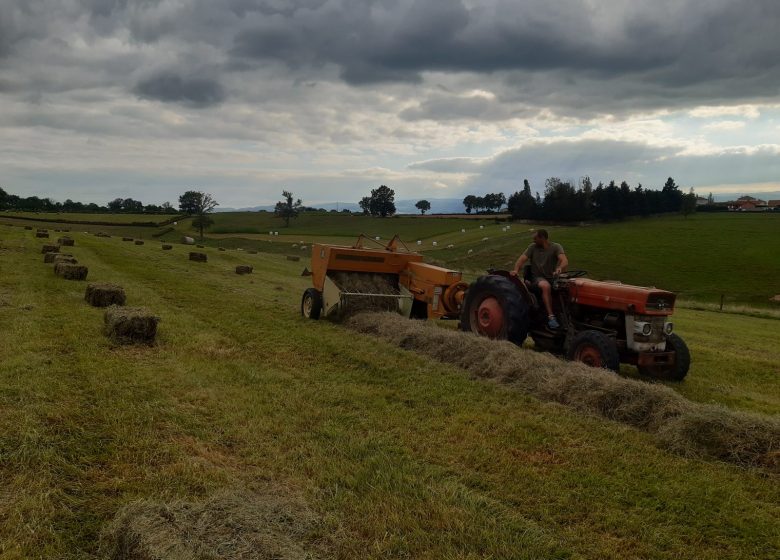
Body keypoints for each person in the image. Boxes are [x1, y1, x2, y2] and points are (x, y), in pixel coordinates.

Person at [509, 229, 568, 329]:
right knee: (545, 286)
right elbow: (522, 259)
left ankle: (565, 315)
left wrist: (559, 268)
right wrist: (516, 270)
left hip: (552, 277)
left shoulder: (556, 247)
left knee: (568, 285)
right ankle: (551, 317)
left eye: (535, 238)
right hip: (536, 278)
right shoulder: (532, 247)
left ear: (543, 238)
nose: (533, 240)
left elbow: (564, 260)